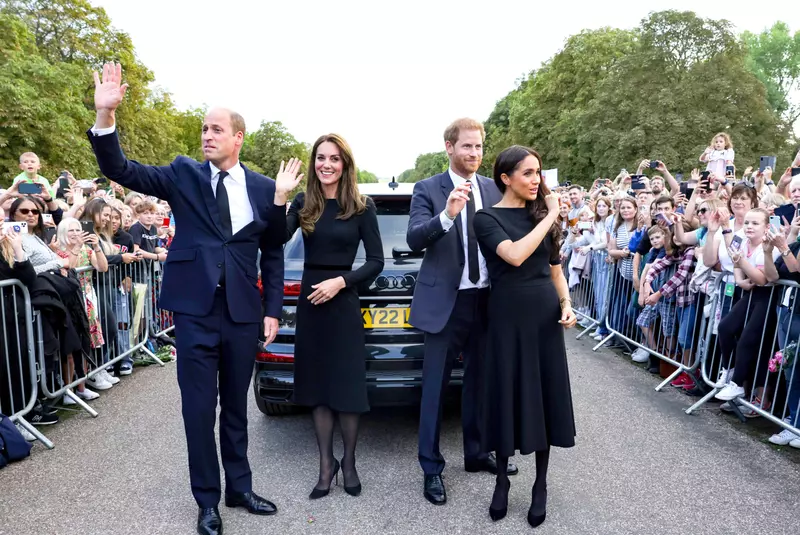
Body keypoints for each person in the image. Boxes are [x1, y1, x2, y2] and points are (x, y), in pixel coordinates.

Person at [87, 62, 285, 535]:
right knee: (198, 411)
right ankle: (207, 501)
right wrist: (105, 118)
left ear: (239, 137)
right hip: (195, 313)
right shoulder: (182, 175)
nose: (206, 135)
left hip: (242, 314)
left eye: (217, 129)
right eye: (203, 128)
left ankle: (240, 487)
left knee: (236, 407)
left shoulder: (261, 188)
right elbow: (120, 168)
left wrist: (273, 310)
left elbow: (273, 252)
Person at [406, 118, 515, 507]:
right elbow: (415, 238)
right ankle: (431, 468)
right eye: (466, 146)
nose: (474, 154)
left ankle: (476, 452)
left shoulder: (493, 188)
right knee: (434, 388)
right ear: (449, 147)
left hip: (486, 301)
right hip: (445, 305)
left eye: (479, 147)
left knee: (481, 383)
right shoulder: (427, 189)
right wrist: (448, 215)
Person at [275, 135, 384, 500]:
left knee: (347, 389)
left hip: (343, 302)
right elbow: (275, 238)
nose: (327, 164)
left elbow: (375, 262)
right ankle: (326, 465)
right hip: (311, 305)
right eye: (321, 158)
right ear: (313, 163)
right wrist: (281, 198)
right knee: (319, 389)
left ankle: (349, 463)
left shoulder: (362, 207)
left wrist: (341, 281)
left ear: (345, 164)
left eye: (334, 159)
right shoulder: (305, 203)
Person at [473, 145, 576, 527]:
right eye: (529, 173)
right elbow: (514, 255)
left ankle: (541, 485)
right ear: (506, 178)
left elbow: (555, 272)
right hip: (505, 317)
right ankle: (501, 480)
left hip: (544, 317)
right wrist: (550, 217)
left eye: (539, 173)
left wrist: (566, 304)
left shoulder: (541, 216)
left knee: (544, 396)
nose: (537, 180)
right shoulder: (486, 218)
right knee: (506, 394)